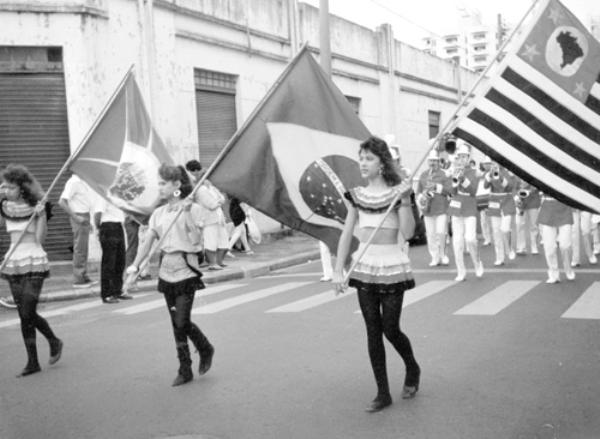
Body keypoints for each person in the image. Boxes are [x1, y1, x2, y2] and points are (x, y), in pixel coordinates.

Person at [332, 136, 420, 413]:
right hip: (365, 266)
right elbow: (347, 233)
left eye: (369, 158)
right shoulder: (356, 195)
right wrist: (338, 269)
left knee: (390, 328)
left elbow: (408, 233)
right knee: (372, 330)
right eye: (361, 158)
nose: (363, 163)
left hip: (392, 265)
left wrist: (405, 200)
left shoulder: (398, 192)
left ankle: (412, 367)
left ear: (382, 163)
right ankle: (383, 392)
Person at [126, 164, 214, 386]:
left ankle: (204, 347)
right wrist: (134, 269)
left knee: (182, 321)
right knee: (176, 323)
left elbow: (196, 241)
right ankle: (185, 369)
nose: (160, 187)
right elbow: (147, 244)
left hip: (186, 269)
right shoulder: (158, 213)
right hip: (166, 271)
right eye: (159, 183)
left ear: (176, 185)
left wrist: (186, 214)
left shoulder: (192, 209)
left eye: (164, 183)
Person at [0, 164, 63, 377]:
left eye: (10, 187)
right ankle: (35, 359)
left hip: (34, 258)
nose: (5, 190)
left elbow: (39, 240)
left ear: (22, 188)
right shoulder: (5, 207)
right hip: (13, 259)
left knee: (27, 311)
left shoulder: (37, 207)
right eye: (3, 186)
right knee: (23, 313)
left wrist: (41, 215)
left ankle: (53, 342)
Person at [447, 142, 484, 281]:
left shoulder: (474, 172)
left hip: (469, 206)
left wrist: (463, 179)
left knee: (470, 239)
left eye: (464, 157)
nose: (462, 159)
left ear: (468, 158)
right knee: (457, 241)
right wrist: (454, 182)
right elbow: (451, 191)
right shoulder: (453, 170)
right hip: (456, 206)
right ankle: (460, 271)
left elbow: (473, 191)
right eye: (460, 157)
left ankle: (477, 263)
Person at [185, 160, 229, 271]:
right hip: (208, 219)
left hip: (219, 218)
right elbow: (212, 205)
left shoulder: (211, 187)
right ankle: (212, 263)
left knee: (223, 241)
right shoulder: (200, 189)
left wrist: (218, 201)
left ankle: (219, 261)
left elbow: (222, 198)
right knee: (211, 241)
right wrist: (219, 202)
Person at [58, 174, 96, 288]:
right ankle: (79, 279)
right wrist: (76, 217)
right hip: (79, 216)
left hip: (85, 215)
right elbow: (62, 202)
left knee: (83, 248)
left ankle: (83, 275)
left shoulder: (83, 181)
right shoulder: (74, 182)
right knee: (79, 248)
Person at [416, 150, 451, 266]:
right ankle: (435, 257)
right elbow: (418, 192)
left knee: (441, 233)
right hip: (428, 210)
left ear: (438, 162)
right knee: (430, 235)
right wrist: (422, 198)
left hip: (441, 208)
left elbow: (449, 191)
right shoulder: (423, 175)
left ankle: (443, 255)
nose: (432, 163)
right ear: (428, 162)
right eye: (431, 161)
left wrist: (436, 187)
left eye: (435, 161)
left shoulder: (444, 174)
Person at [94, 199, 132, 303]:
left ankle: (117, 290)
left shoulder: (116, 195)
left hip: (118, 226)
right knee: (109, 263)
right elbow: (97, 214)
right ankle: (107, 294)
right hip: (107, 226)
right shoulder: (102, 194)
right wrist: (99, 228)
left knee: (120, 261)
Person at [483, 162, 517, 265]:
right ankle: (499, 257)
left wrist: (500, 177)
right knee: (496, 231)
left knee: (505, 229)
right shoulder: (490, 173)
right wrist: (489, 175)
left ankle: (509, 248)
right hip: (494, 203)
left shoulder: (508, 173)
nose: (496, 164)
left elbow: (510, 187)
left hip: (506, 202)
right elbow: (485, 186)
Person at [537, 194, 575, 283]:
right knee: (549, 247)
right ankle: (553, 273)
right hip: (548, 210)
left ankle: (568, 269)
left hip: (564, 208)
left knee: (565, 245)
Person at [515, 178, 541, 255]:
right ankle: (521, 247)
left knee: (534, 225)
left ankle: (534, 247)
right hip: (520, 202)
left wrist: (530, 188)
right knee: (519, 224)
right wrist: (516, 198)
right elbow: (514, 187)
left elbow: (538, 187)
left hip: (533, 201)